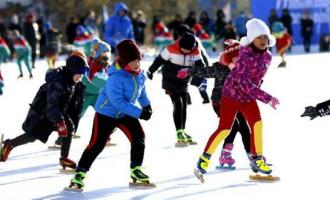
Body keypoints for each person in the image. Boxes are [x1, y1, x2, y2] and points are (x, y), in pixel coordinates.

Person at [195, 18, 279, 179]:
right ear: (251, 40)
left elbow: (258, 79)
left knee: (257, 124)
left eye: (265, 37)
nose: (263, 41)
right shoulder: (244, 55)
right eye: (259, 37)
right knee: (225, 128)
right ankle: (204, 159)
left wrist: (259, 89)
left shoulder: (268, 56)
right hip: (231, 95)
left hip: (248, 97)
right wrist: (267, 98)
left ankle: (257, 159)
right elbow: (244, 84)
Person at [66, 40, 154, 191]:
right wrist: (140, 113)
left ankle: (136, 169)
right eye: (133, 61)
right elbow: (118, 102)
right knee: (97, 145)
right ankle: (79, 174)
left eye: (138, 60)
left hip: (125, 113)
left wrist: (147, 105)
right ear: (125, 61)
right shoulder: (115, 78)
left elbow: (142, 91)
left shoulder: (140, 75)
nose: (137, 64)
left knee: (139, 137)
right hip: (106, 113)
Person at [0, 50, 89, 171]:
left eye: (83, 73)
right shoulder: (58, 83)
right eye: (79, 73)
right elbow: (52, 105)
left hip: (59, 112)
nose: (81, 76)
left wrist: (66, 119)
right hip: (44, 113)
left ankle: (64, 157)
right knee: (32, 136)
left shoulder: (72, 82)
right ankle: (9, 144)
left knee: (69, 128)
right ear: (72, 70)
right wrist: (60, 122)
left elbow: (72, 104)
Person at [177, 39, 251, 169]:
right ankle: (225, 155)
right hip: (220, 102)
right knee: (233, 126)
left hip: (237, 101)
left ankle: (252, 155)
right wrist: (188, 71)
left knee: (244, 126)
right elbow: (204, 71)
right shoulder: (220, 68)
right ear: (229, 57)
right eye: (236, 58)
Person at [147, 33, 204, 147]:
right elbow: (159, 61)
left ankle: (182, 130)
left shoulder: (196, 51)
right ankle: (179, 132)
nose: (186, 51)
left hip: (183, 81)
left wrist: (200, 78)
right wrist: (151, 71)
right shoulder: (170, 49)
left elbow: (200, 66)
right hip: (170, 80)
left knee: (184, 106)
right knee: (177, 103)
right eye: (183, 49)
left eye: (188, 50)